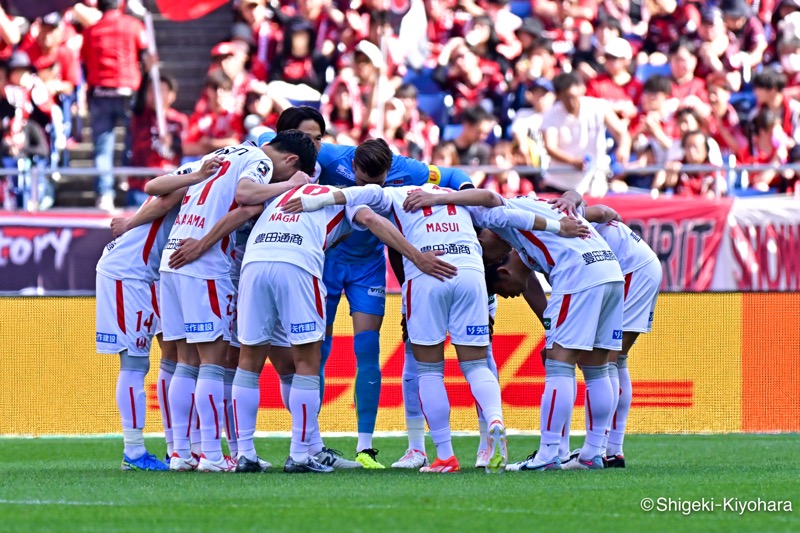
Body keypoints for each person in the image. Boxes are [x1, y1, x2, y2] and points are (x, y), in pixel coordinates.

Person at [284, 183, 583, 472]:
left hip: (427, 269)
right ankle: (494, 421)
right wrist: (558, 227)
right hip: (470, 272)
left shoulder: (395, 194)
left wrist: (315, 200)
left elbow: (355, 195)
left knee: (428, 370)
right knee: (478, 364)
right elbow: (498, 206)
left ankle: (444, 455)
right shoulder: (459, 197)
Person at [233, 182, 457, 473]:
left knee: (249, 361)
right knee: (308, 361)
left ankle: (245, 454)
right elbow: (371, 219)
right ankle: (301, 456)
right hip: (300, 263)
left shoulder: (278, 191)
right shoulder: (345, 195)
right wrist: (417, 257)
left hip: (254, 262)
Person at [409, 187, 624, 471]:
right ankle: (593, 453)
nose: (486, 253)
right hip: (610, 270)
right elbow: (583, 200)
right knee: (598, 369)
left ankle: (547, 455)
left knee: (560, 366)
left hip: (580, 273)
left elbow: (488, 198)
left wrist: (437, 198)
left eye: (482, 244)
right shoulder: (535, 207)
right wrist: (572, 196)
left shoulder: (499, 218)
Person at [144, 130, 317, 472]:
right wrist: (291, 185)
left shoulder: (223, 153)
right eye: (287, 172)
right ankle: (210, 453)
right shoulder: (260, 162)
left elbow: (154, 187)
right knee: (212, 361)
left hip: (171, 261)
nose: (278, 180)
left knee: (184, 361)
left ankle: (180, 452)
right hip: (203, 265)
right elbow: (246, 194)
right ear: (290, 160)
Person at [313, 138, 475, 467]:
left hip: (369, 267)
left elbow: (455, 176)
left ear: (389, 172)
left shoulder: (410, 170)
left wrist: (463, 199)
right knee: (317, 350)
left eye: (377, 183)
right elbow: (267, 141)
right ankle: (312, 443)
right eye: (361, 183)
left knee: (368, 350)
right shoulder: (330, 155)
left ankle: (365, 447)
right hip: (327, 261)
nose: (369, 189)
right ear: (353, 168)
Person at [560, 193, 662, 468]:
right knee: (615, 361)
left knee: (606, 361)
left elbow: (604, 211)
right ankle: (610, 449)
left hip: (631, 269)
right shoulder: (562, 217)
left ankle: (601, 449)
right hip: (638, 265)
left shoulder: (559, 219)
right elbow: (605, 212)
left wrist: (579, 206)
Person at [81, 0, 152, 210]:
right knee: (135, 138)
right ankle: (129, 178)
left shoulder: (91, 31)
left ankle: (104, 194)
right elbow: (145, 54)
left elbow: (84, 60)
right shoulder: (133, 26)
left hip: (100, 91)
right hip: (127, 90)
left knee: (103, 147)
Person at [540, 72, 630, 196]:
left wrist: (623, 147)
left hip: (594, 182)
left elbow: (621, 132)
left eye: (574, 96)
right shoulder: (551, 115)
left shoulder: (599, 107)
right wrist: (573, 161)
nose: (571, 102)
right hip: (559, 182)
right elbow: (550, 147)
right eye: (566, 97)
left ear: (581, 90)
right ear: (559, 96)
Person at [128, 74, 188, 207]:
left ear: (172, 95)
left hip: (170, 185)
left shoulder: (179, 120)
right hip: (142, 185)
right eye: (151, 90)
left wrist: (173, 142)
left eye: (160, 90)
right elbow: (137, 104)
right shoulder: (140, 117)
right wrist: (148, 71)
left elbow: (186, 147)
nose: (155, 95)